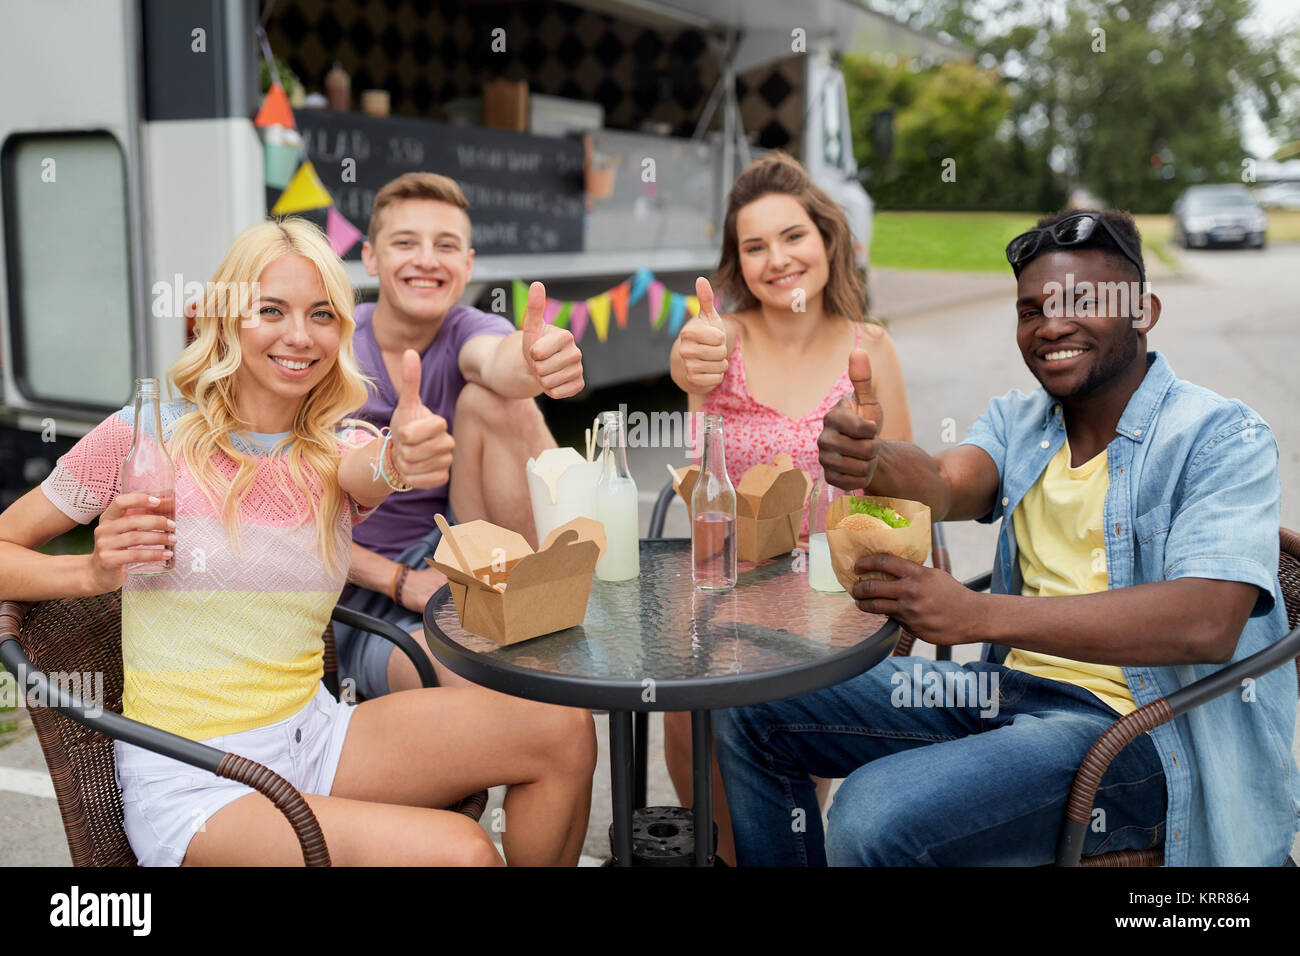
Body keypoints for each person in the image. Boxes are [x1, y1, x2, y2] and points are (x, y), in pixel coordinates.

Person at [0, 218, 595, 866]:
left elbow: (376, 467)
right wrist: (89, 573)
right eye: (271, 310)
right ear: (228, 321)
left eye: (320, 314)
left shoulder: (335, 449)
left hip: (315, 737)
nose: (298, 335)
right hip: (197, 779)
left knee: (562, 727)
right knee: (464, 851)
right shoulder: (144, 438)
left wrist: (404, 452)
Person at [715, 209, 1298, 865]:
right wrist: (872, 458)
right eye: (1030, 310)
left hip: (1134, 732)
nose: (1051, 326)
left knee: (871, 815)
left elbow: (1207, 622)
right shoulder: (1024, 423)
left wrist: (978, 614)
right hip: (1000, 695)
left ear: (1144, 310)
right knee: (751, 699)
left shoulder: (1220, 436)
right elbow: (940, 480)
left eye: (1082, 301)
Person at [667, 152, 915, 863]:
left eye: (792, 236)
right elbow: (692, 379)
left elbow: (901, 496)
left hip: (837, 593)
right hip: (730, 579)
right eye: (754, 246)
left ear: (827, 239)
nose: (777, 259)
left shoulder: (872, 348)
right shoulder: (721, 342)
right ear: (736, 264)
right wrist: (687, 365)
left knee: (777, 716)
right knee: (688, 707)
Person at [334, 172, 585, 700]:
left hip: (451, 563)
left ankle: (539, 597)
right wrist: (400, 582)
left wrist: (537, 360)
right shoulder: (327, 347)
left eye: (445, 246)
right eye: (405, 243)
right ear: (371, 258)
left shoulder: (467, 328)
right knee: (504, 692)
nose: (427, 259)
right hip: (354, 598)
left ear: (467, 265)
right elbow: (279, 514)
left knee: (498, 398)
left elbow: (499, 361)